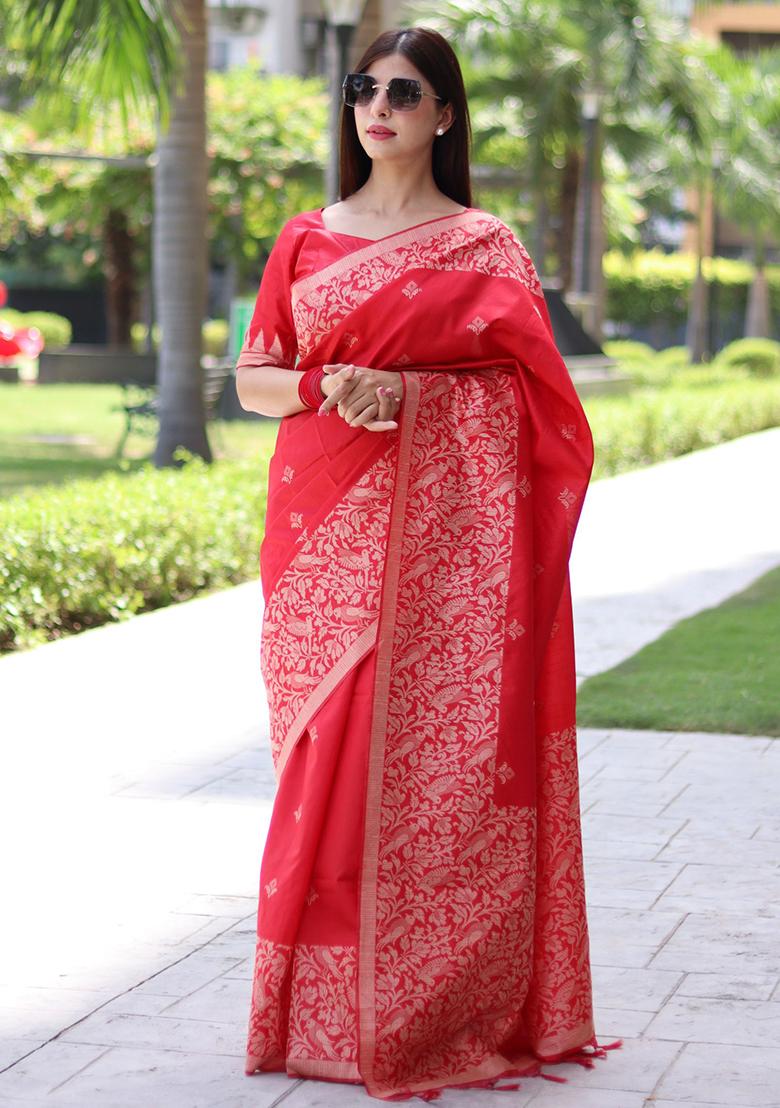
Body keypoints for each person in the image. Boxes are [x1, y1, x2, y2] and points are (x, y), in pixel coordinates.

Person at [235, 25, 621, 1104]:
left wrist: (414, 393)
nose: (379, 106)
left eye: (404, 91)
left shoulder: (485, 245)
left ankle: (432, 1003)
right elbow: (256, 377)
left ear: (444, 114)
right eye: (364, 87)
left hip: (450, 554)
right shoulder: (305, 239)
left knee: (429, 772)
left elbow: (541, 403)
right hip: (320, 532)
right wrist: (329, 387)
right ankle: (311, 1008)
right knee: (324, 752)